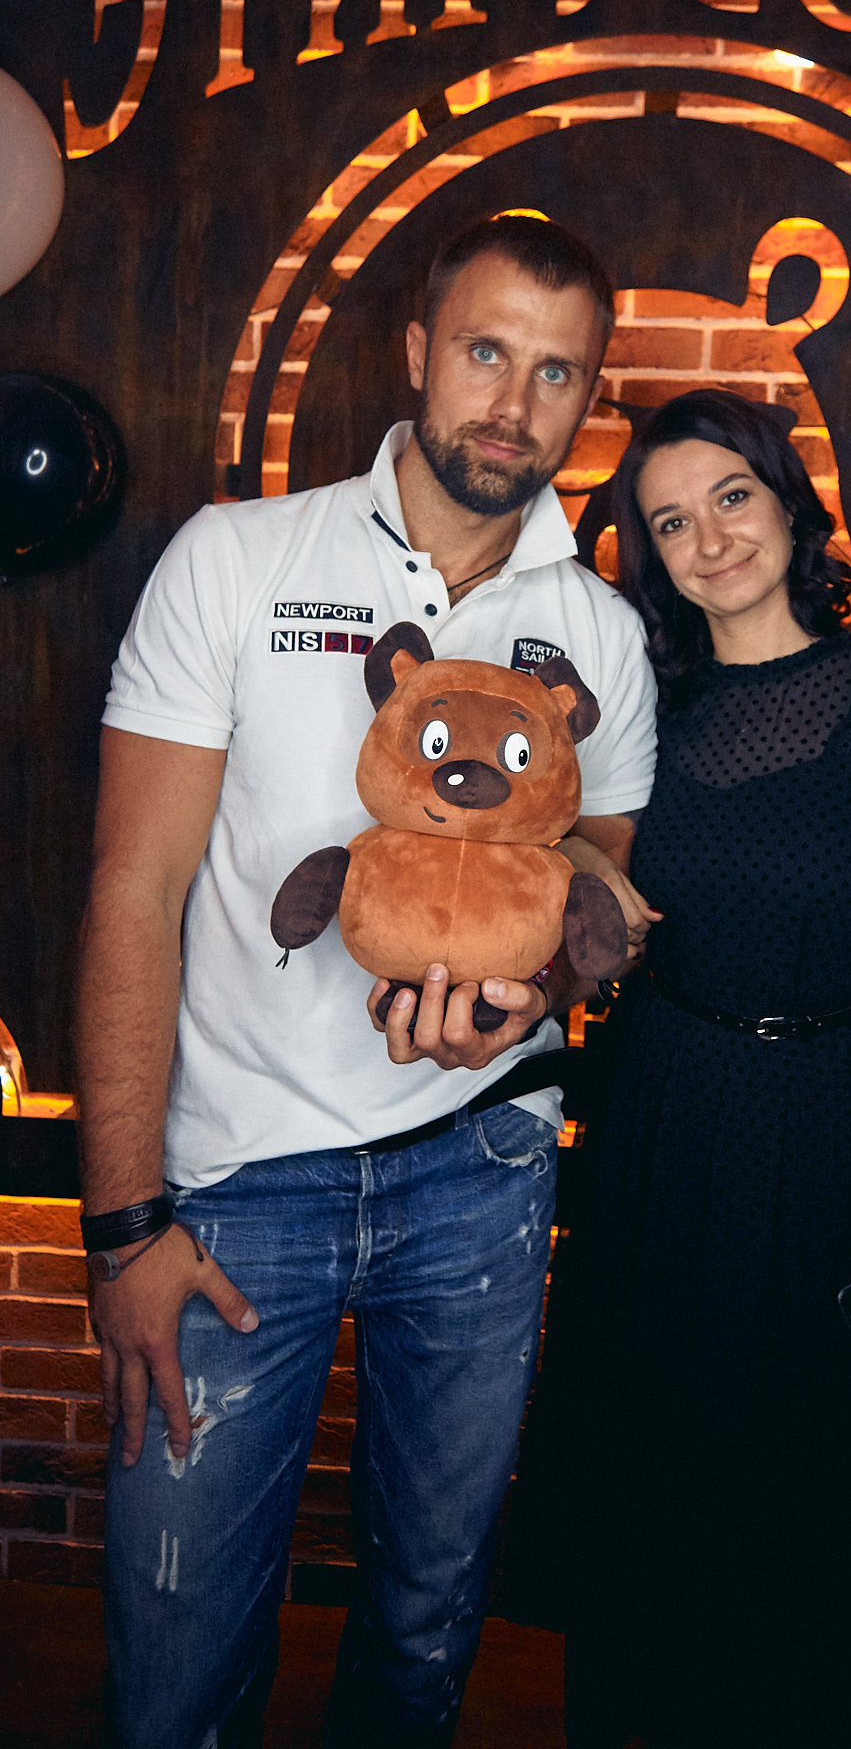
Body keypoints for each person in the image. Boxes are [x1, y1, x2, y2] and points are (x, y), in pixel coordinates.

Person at [74, 215, 657, 1748]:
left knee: (422, 1631)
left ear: (589, 397)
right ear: (416, 353)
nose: (513, 404)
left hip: (481, 1178)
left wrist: (534, 996)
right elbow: (133, 889)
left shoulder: (599, 631)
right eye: (486, 352)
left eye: (556, 373)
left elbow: (595, 879)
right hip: (234, 1178)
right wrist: (124, 1222)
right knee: (177, 1657)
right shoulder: (239, 556)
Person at [551, 388, 851, 1748]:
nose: (709, 538)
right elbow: (583, 889)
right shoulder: (649, 718)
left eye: (731, 497)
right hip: (661, 1141)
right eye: (670, 522)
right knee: (656, 1513)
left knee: (825, 1535)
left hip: (827, 1145)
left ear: (792, 504)